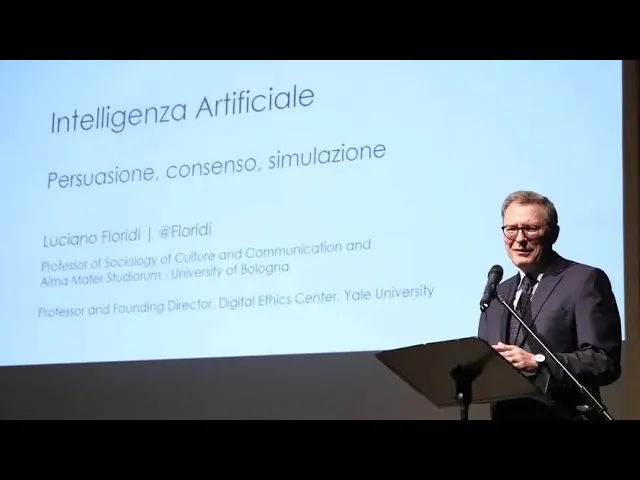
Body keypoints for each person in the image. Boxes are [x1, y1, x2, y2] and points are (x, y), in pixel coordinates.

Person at [477, 190, 622, 420]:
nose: (520, 239)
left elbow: (604, 361)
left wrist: (538, 362)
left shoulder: (584, 281)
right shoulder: (497, 293)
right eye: (511, 229)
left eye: (531, 229)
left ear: (553, 233)